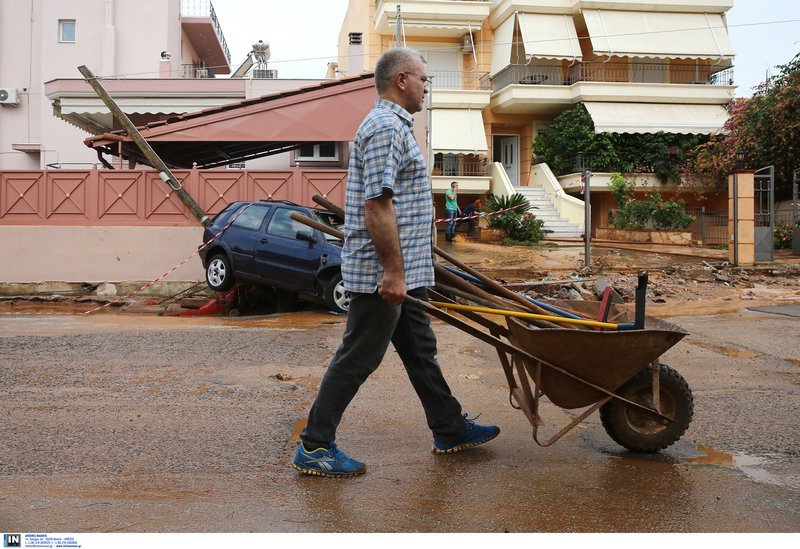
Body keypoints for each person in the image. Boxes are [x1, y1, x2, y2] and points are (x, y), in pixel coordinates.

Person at [292, 47, 500, 478]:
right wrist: (393, 271)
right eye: (425, 79)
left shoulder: (396, 126)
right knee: (359, 356)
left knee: (420, 351)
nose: (427, 87)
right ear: (402, 79)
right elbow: (377, 206)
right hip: (381, 274)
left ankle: (449, 428)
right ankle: (314, 446)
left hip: (404, 270)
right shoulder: (386, 127)